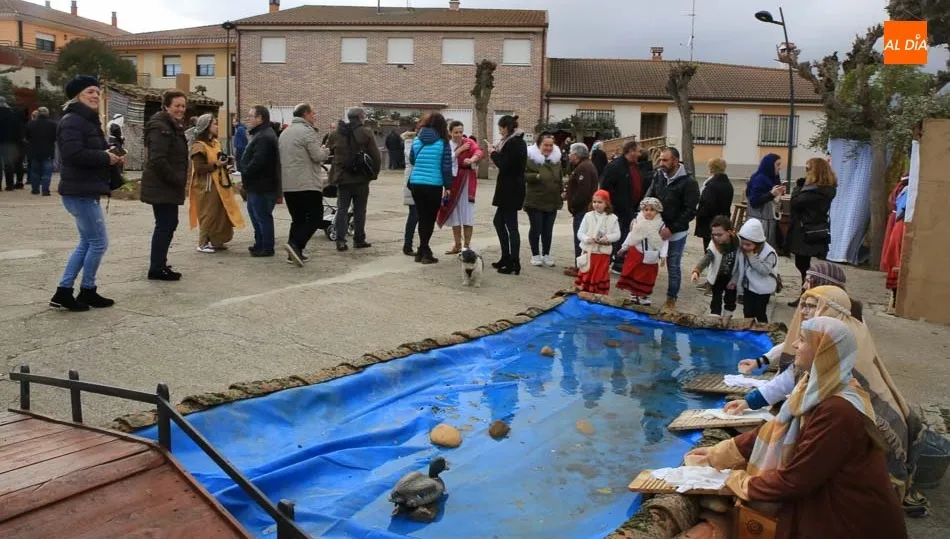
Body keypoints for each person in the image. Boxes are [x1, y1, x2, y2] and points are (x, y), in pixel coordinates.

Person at [689, 316, 908, 539]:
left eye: (802, 341)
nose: (794, 345)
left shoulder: (838, 410)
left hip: (852, 518)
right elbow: (776, 427)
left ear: (822, 352)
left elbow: (796, 480)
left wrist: (734, 482)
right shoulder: (816, 387)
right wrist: (719, 453)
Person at [731, 285, 924, 512]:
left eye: (811, 306)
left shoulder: (836, 401)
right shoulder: (822, 367)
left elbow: (797, 479)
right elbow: (788, 397)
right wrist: (727, 450)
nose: (803, 311)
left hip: (855, 503)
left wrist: (736, 482)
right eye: (804, 304)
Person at [50, 75, 124, 311]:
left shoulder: (87, 120)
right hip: (79, 190)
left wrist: (108, 152)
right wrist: (105, 156)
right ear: (77, 96)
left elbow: (87, 150)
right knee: (98, 242)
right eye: (89, 91)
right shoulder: (73, 121)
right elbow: (72, 155)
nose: (95, 95)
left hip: (84, 188)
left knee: (87, 242)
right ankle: (78, 291)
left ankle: (70, 292)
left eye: (97, 91)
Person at [643, 147, 700, 311]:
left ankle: (671, 299)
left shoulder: (689, 182)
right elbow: (649, 196)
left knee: (673, 265)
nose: (661, 163)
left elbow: (690, 211)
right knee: (648, 260)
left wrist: (672, 229)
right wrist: (641, 216)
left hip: (676, 232)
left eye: (665, 160)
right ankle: (642, 293)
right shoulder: (659, 175)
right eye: (660, 159)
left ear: (675, 161)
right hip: (656, 228)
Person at [141, 90, 189, 281]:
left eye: (183, 106)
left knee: (169, 224)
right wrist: (176, 179)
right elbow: (158, 159)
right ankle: (156, 267)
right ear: (166, 106)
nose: (180, 109)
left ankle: (160, 263)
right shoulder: (160, 126)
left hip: (167, 185)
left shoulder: (172, 125)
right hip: (163, 185)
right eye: (177, 105)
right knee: (165, 224)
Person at [279, 103, 328, 266]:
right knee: (315, 217)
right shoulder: (307, 132)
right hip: (306, 182)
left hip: (288, 183)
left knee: (298, 219)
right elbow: (317, 156)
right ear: (305, 114)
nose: (315, 116)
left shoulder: (285, 133)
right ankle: (295, 245)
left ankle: (294, 253)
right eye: (313, 113)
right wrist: (325, 151)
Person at [188, 114, 244, 254]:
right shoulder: (198, 146)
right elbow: (199, 168)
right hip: (206, 186)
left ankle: (217, 240)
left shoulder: (216, 143)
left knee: (221, 213)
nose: (217, 127)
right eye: (214, 124)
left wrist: (226, 162)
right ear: (206, 127)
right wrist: (217, 164)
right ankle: (203, 243)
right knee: (208, 214)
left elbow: (218, 159)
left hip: (219, 183)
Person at [327, 107, 381, 252]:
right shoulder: (366, 132)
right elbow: (376, 156)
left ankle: (340, 241)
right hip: (361, 177)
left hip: (342, 177)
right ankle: (359, 239)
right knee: (360, 210)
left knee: (342, 209)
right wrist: (373, 173)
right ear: (361, 117)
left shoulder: (336, 133)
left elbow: (328, 151)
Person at [786, 156, 836, 306]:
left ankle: (808, 294)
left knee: (803, 264)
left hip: (805, 230)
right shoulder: (827, 189)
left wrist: (797, 187)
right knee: (804, 264)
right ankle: (808, 293)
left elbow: (795, 203)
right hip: (816, 228)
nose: (806, 171)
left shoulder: (813, 191)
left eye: (808, 168)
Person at [600, 140, 653, 274]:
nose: (640, 153)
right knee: (616, 236)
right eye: (638, 150)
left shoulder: (636, 166)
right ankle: (613, 262)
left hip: (631, 208)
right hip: (618, 209)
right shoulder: (616, 166)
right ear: (631, 151)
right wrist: (613, 204)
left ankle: (619, 262)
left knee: (626, 236)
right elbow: (606, 187)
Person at [407, 113, 453, 265]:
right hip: (433, 183)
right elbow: (446, 166)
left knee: (421, 217)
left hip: (416, 183)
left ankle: (422, 250)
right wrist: (448, 186)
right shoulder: (443, 142)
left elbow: (412, 159)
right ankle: (425, 251)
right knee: (430, 218)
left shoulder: (416, 140)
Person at [487, 114, 527, 275]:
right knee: (498, 222)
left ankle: (514, 262)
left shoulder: (514, 143)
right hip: (510, 189)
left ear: (506, 128)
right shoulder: (515, 142)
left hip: (510, 189)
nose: (500, 133)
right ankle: (506, 256)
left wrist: (493, 153)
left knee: (511, 226)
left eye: (500, 129)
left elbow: (504, 164)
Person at [240, 105, 281, 257]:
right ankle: (260, 243)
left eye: (250, 116)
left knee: (262, 216)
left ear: (260, 118)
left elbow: (259, 161)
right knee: (255, 215)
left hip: (262, 185)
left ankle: (267, 246)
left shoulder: (264, 136)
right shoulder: (260, 134)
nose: (248, 119)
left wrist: (245, 171)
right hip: (256, 185)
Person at [437, 120, 484, 254]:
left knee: (467, 214)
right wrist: (459, 151)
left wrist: (472, 159)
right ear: (450, 132)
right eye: (456, 132)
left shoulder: (468, 142)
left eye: (461, 132)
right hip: (452, 182)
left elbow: (479, 152)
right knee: (455, 214)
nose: (459, 135)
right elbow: (445, 161)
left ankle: (466, 246)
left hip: (466, 181)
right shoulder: (447, 145)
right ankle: (457, 245)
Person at [617, 197, 668, 305]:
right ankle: (633, 294)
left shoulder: (660, 225)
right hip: (635, 253)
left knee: (647, 277)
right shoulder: (637, 221)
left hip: (651, 255)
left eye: (652, 210)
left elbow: (664, 241)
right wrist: (624, 247)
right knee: (633, 274)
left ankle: (645, 296)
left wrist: (663, 255)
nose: (649, 212)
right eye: (646, 210)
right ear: (642, 210)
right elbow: (631, 236)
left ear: (657, 211)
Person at [690, 215, 741, 323]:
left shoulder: (738, 243)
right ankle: (715, 316)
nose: (716, 237)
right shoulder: (713, 245)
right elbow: (706, 259)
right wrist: (697, 271)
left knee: (730, 298)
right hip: (718, 276)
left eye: (720, 234)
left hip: (732, 276)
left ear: (729, 232)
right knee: (716, 297)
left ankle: (727, 316)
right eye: (714, 234)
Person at [523, 132, 563, 267]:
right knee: (537, 228)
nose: (548, 148)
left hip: (552, 200)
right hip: (535, 200)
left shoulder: (556, 160)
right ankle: (535, 254)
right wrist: (536, 177)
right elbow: (523, 174)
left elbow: (560, 178)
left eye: (551, 145)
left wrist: (561, 193)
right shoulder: (530, 158)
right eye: (545, 145)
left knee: (548, 229)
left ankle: (546, 253)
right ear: (539, 144)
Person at [574, 189, 621, 294]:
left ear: (606, 204)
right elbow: (580, 233)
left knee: (600, 275)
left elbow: (617, 234)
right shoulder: (588, 216)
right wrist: (587, 239)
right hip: (590, 253)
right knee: (587, 273)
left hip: (603, 254)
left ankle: (598, 295)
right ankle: (584, 293)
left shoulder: (613, 218)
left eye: (600, 202)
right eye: (594, 202)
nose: (596, 204)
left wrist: (608, 238)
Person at [564, 142, 598, 277]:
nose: (569, 155)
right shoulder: (584, 166)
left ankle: (581, 267)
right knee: (580, 239)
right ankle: (579, 264)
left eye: (570, 153)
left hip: (582, 210)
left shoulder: (583, 168)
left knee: (580, 239)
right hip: (582, 209)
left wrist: (573, 204)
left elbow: (583, 191)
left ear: (576, 155)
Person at [734, 218, 778, 323]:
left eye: (748, 245)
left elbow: (764, 271)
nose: (744, 247)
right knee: (748, 311)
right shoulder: (743, 250)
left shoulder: (769, 253)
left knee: (760, 312)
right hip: (749, 286)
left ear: (757, 243)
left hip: (763, 289)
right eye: (743, 244)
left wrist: (752, 258)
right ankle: (749, 330)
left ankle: (763, 331)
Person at [881, 174, 909, 310]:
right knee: (897, 260)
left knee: (896, 260)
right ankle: (896, 300)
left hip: (899, 225)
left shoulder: (903, 191)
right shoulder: (906, 191)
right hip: (902, 225)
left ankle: (895, 300)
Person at [746, 153, 785, 248]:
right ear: (769, 165)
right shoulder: (759, 179)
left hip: (770, 220)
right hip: (760, 222)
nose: (780, 168)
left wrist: (778, 195)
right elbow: (754, 201)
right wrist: (771, 194)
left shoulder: (772, 178)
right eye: (777, 165)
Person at [694, 157, 733, 251]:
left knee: (710, 250)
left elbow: (707, 204)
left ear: (711, 168)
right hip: (723, 221)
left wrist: (698, 213)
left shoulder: (711, 184)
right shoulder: (728, 184)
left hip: (710, 223)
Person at [25, 106, 57, 196]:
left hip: (34, 151)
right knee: (47, 172)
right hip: (48, 151)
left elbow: (27, 137)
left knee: (35, 171)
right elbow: (55, 138)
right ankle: (45, 191)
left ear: (38, 113)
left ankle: (35, 189)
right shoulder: (53, 124)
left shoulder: (31, 124)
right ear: (48, 113)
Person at [0, 97, 24, 191]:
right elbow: (16, 129)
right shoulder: (12, 114)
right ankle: (9, 185)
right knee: (8, 164)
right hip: (9, 142)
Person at [401, 128, 418, 256]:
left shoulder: (411, 143)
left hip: (412, 179)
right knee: (414, 215)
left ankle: (408, 245)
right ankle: (407, 245)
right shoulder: (410, 144)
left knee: (415, 215)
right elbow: (414, 160)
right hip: (412, 181)